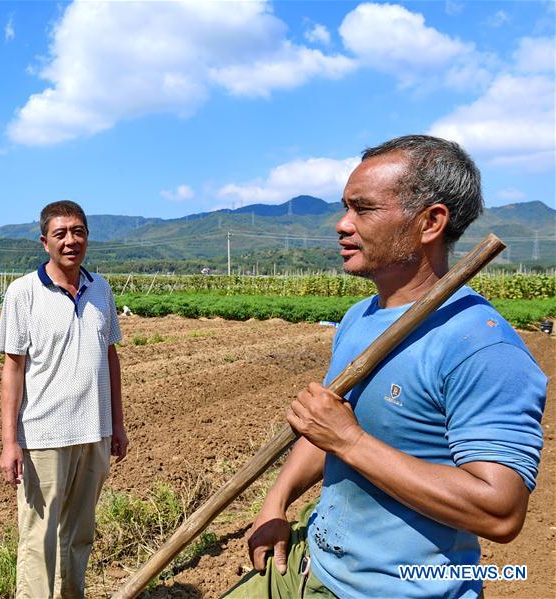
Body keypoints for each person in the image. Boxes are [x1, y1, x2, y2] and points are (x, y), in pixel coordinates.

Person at [225, 135, 546, 599]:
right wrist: (276, 503)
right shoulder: (360, 318)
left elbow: (501, 512)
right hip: (312, 562)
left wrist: (349, 439)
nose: (342, 224)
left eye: (363, 209)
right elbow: (326, 430)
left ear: (430, 222)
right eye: (345, 207)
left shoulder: (481, 345)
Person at [0, 200, 128, 598]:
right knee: (39, 538)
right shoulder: (23, 293)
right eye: (61, 234)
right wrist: (9, 441)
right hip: (43, 436)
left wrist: (117, 424)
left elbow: (110, 357)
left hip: (94, 431)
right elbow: (12, 369)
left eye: (78, 232)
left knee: (79, 534)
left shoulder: (100, 288)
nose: (71, 241)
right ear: (44, 241)